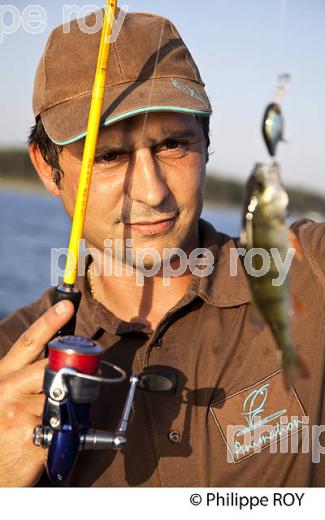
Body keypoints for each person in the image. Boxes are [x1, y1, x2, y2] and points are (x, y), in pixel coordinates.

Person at [0, 8, 325, 488]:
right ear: (48, 170)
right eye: (109, 155)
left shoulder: (307, 266)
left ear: (206, 143)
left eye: (174, 144)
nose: (152, 192)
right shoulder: (9, 358)